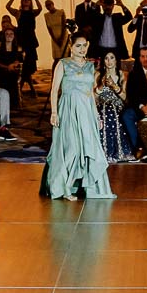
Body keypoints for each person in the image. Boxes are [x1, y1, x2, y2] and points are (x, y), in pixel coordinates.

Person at [40, 37, 115, 200]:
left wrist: (96, 116)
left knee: (87, 147)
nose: (82, 49)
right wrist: (54, 112)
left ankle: (86, 186)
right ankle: (64, 187)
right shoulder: (63, 64)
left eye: (84, 46)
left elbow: (91, 92)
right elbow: (54, 90)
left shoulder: (90, 66)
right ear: (71, 47)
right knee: (71, 148)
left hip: (86, 111)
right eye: (78, 46)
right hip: (68, 109)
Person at [95, 51, 130, 162]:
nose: (109, 61)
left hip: (117, 106)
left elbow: (125, 98)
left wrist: (115, 87)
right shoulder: (97, 75)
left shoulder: (122, 75)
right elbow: (94, 97)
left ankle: (115, 150)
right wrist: (102, 86)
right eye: (106, 58)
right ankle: (103, 151)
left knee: (111, 111)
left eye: (112, 58)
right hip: (101, 106)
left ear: (116, 60)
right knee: (105, 111)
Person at [7, 0, 43, 93]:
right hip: (22, 39)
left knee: (30, 64)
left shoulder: (33, 12)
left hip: (31, 39)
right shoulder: (18, 13)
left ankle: (24, 87)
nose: (27, 1)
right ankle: (27, 88)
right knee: (23, 63)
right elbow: (8, 6)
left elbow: (40, 8)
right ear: (22, 2)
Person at [89, 0, 132, 65]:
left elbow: (129, 17)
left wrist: (122, 5)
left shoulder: (117, 17)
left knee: (116, 71)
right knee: (101, 72)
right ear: (102, 6)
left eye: (110, 5)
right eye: (105, 5)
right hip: (100, 50)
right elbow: (89, 17)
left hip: (116, 50)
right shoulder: (98, 17)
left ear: (113, 6)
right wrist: (96, 5)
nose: (108, 7)